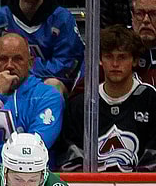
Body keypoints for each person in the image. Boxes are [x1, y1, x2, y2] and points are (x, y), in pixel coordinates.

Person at [0, 33, 65, 171]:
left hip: (31, 182)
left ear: (30, 63)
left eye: (17, 59)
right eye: (3, 59)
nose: (9, 66)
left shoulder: (48, 97)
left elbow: (33, 149)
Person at [61, 25, 156, 172]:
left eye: (122, 57)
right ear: (100, 59)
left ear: (135, 60)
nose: (115, 64)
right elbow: (70, 159)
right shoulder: (81, 105)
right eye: (108, 56)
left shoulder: (150, 100)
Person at [0, 0, 85, 96]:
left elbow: (67, 66)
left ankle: (45, 120)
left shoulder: (62, 19)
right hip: (5, 85)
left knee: (53, 86)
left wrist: (23, 75)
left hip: (42, 89)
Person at [131, 0, 156, 86]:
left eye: (154, 14)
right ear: (132, 17)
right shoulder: (117, 46)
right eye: (139, 13)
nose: (146, 20)